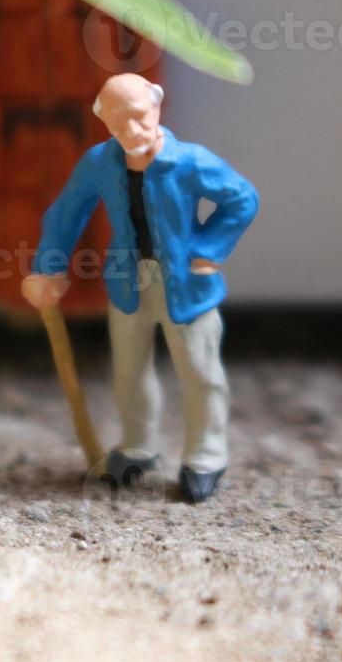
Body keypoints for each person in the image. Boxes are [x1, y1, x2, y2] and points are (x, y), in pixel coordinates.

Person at [22, 74, 260, 503]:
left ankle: (206, 454)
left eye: (138, 117)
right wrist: (48, 268)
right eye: (118, 123)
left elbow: (241, 197)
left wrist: (209, 247)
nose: (131, 130)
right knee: (129, 371)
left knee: (200, 372)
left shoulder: (189, 161)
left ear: (156, 106)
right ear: (105, 122)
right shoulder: (100, 162)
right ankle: (137, 446)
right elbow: (65, 212)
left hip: (187, 287)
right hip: (128, 282)